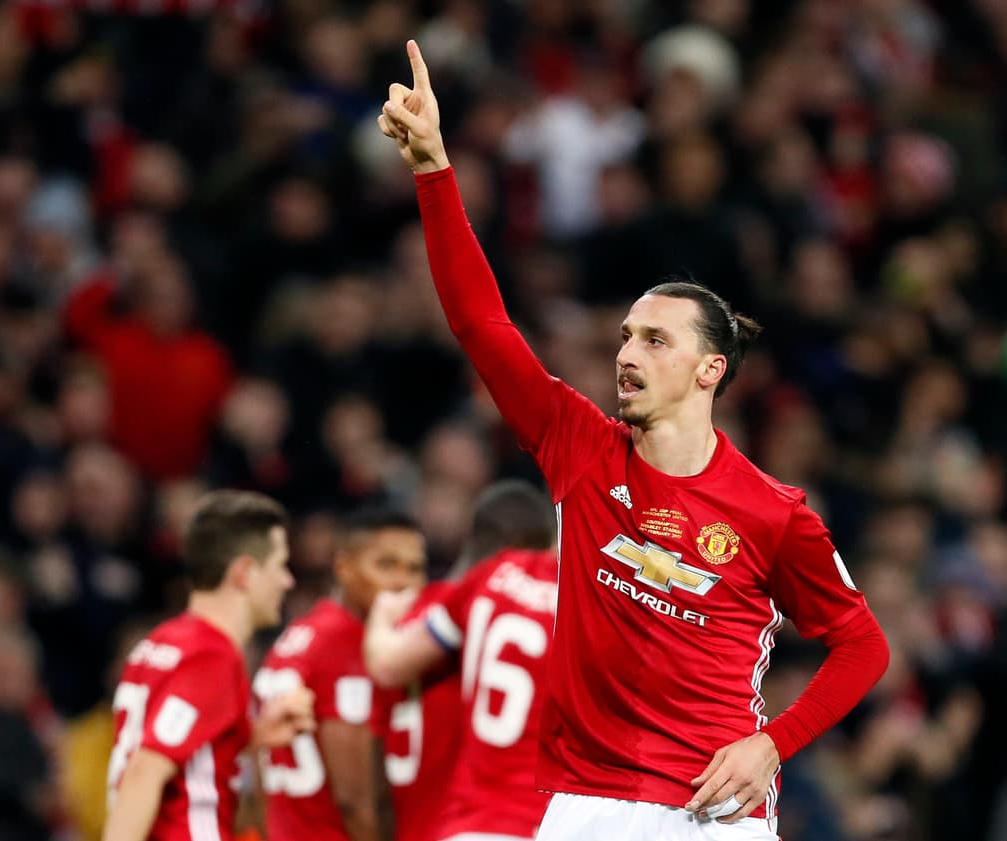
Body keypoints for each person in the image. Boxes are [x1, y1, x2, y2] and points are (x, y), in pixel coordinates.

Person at [376, 40, 890, 840]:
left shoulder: (774, 511)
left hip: (716, 814)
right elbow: (482, 325)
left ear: (710, 369)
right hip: (590, 807)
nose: (625, 354)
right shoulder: (579, 447)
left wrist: (772, 742)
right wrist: (435, 170)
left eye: (655, 340)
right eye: (624, 335)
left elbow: (863, 645)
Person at [103, 490, 314, 841]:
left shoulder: (159, 643)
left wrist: (250, 735)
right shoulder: (211, 656)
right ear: (244, 572)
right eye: (279, 565)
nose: (287, 581)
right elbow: (146, 770)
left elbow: (178, 752)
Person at [369, 479, 558, 841]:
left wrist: (380, 615)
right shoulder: (586, 599)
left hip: (472, 819)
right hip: (548, 821)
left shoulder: (487, 579)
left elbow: (386, 665)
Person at [256, 506, 426, 841]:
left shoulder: (301, 635)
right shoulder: (346, 645)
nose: (401, 582)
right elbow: (354, 802)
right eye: (386, 565)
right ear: (344, 568)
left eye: (415, 569)